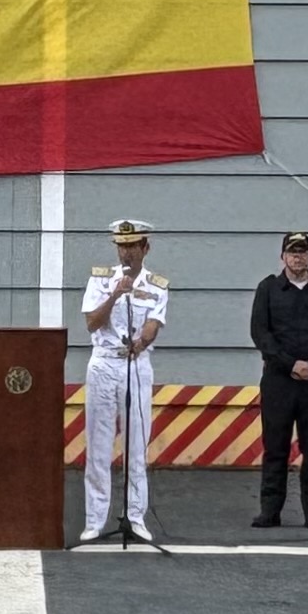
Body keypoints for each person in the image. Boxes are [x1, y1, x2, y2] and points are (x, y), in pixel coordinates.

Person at [248, 229, 308, 530]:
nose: (298, 257)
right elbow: (260, 333)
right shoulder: (268, 289)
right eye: (292, 251)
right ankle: (270, 511)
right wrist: (290, 364)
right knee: (275, 447)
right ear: (283, 256)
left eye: (303, 251)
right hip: (279, 381)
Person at [80, 220, 169, 544]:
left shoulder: (157, 285)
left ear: (145, 248)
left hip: (135, 364)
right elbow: (92, 322)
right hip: (104, 362)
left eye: (133, 245)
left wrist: (142, 343)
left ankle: (135, 516)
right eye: (121, 245)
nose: (126, 252)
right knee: (98, 446)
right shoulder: (101, 280)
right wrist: (115, 295)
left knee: (136, 444)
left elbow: (153, 324)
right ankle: (94, 519)